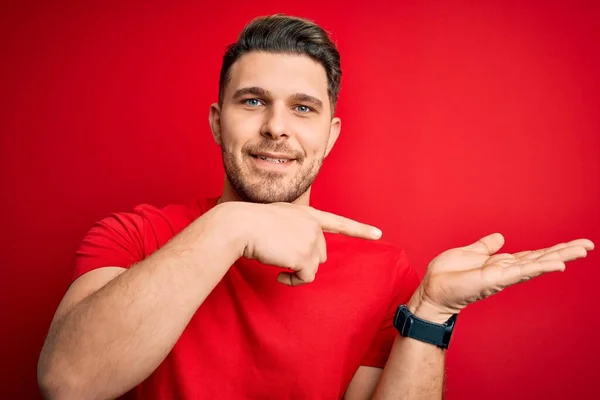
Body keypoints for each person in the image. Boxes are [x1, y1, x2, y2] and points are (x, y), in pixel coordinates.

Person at [37, 14, 594, 400]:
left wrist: (431, 314)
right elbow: (67, 382)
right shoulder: (136, 235)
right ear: (216, 122)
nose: (276, 127)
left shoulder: (383, 271)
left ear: (329, 136)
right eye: (252, 101)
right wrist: (229, 227)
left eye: (303, 108)